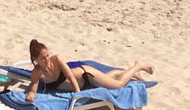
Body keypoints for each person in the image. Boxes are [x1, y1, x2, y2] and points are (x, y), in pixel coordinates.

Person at [23, 40, 153, 103]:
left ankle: (137, 66)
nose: (47, 59)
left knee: (118, 85)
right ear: (35, 59)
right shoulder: (37, 72)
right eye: (43, 58)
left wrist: (77, 94)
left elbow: (69, 75)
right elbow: (33, 88)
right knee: (110, 78)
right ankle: (130, 73)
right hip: (84, 83)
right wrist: (30, 96)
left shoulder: (56, 59)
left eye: (47, 55)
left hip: (87, 76)